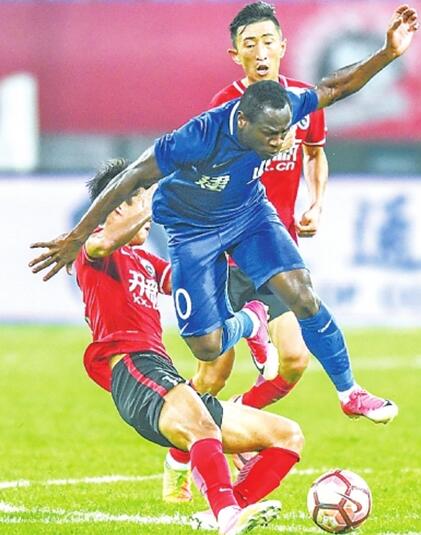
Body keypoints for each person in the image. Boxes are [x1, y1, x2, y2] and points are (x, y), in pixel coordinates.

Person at [30, 6, 417, 429]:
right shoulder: (199, 135)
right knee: (207, 347)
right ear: (243, 121)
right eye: (270, 135)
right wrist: (77, 237)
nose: (280, 142)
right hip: (193, 230)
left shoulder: (285, 105)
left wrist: (387, 53)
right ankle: (250, 321)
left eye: (284, 133)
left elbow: (335, 86)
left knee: (303, 295)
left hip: (249, 214)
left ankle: (349, 392)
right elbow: (132, 177)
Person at [74, 159, 306, 534]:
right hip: (134, 371)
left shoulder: (143, 259)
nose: (150, 217)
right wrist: (157, 190)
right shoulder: (94, 249)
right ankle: (228, 517)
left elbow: (190, 281)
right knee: (202, 427)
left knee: (288, 436)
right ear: (117, 206)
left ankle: (227, 509)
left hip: (163, 374)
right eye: (141, 201)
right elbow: (102, 242)